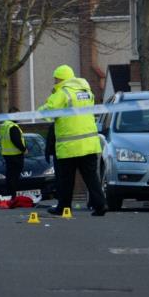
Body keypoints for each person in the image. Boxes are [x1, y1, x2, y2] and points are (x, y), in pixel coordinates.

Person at [38, 64, 107, 217]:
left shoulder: (63, 92)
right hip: (89, 143)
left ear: (61, 79)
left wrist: (40, 109)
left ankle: (63, 207)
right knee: (91, 177)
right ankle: (100, 204)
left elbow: (48, 112)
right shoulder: (86, 91)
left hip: (69, 145)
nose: (55, 82)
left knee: (65, 179)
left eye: (56, 79)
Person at [0, 107, 27, 197]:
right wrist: (24, 149)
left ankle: (10, 194)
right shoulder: (12, 126)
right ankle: (13, 195)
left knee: (10, 175)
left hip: (7, 155)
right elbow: (16, 140)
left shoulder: (4, 125)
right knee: (14, 176)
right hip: (15, 155)